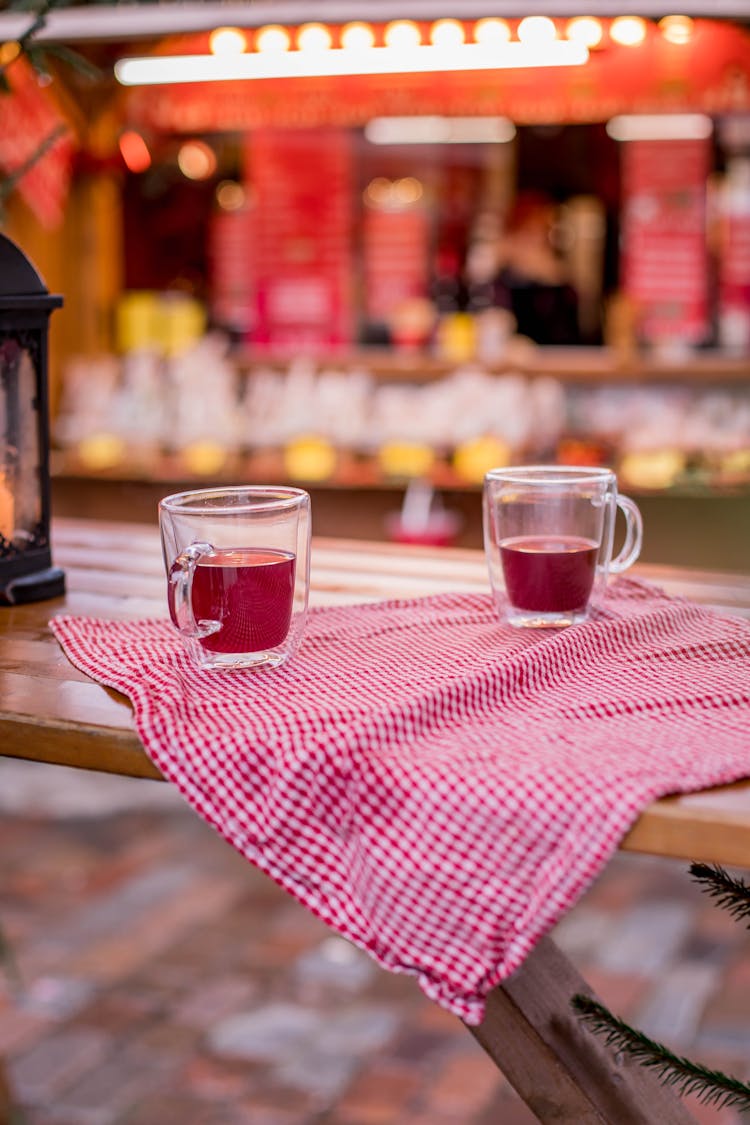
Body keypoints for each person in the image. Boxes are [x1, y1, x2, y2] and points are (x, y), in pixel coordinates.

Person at [492, 191, 581, 346]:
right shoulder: (499, 282)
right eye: (529, 232)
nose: (537, 241)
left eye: (542, 232)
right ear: (512, 235)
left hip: (553, 361)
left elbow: (570, 337)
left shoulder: (559, 285)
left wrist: (553, 277)